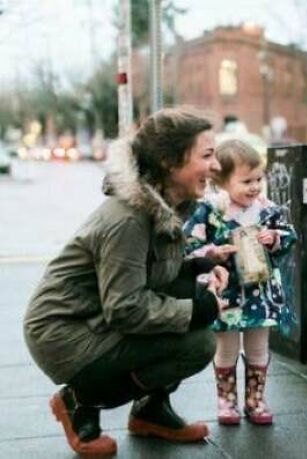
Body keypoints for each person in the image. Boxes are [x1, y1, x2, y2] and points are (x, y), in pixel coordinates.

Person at [23, 108, 228, 456]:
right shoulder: (129, 220)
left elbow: (151, 277)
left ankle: (151, 412)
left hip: (95, 318)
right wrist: (197, 309)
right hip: (63, 332)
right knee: (198, 344)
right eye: (207, 155)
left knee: (186, 299)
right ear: (168, 161)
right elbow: (125, 308)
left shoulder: (165, 205)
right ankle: (77, 399)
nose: (217, 165)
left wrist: (195, 267)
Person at [183, 139, 296, 426]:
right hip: (226, 294)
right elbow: (189, 243)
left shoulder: (268, 210)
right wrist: (210, 254)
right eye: (246, 181)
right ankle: (227, 402)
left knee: (258, 347)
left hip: (262, 293)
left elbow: (289, 237)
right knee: (226, 349)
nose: (255, 187)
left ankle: (255, 401)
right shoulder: (210, 211)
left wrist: (275, 240)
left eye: (259, 179)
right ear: (221, 182)